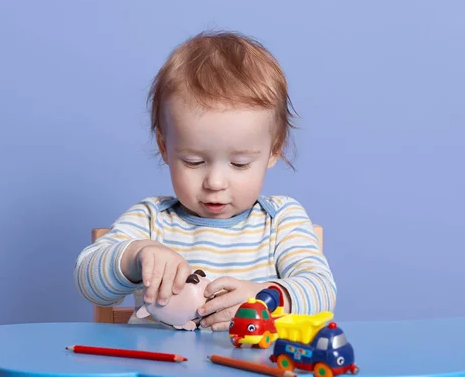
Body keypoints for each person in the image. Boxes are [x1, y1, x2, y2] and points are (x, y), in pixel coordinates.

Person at [74, 30, 337, 331]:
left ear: (274, 149)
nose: (214, 182)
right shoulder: (152, 220)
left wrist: (266, 297)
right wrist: (136, 256)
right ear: (165, 147)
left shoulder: (280, 221)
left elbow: (321, 290)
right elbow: (88, 281)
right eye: (193, 161)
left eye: (239, 163)